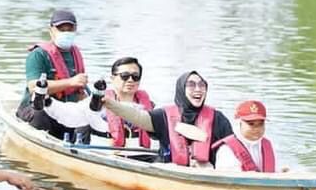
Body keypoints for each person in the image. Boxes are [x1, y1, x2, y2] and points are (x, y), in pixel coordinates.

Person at [102, 71, 233, 167]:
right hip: (169, 169)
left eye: (202, 85)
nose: (198, 89)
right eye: (191, 85)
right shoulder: (163, 116)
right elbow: (137, 116)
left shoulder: (218, 119)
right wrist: (109, 103)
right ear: (181, 89)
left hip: (206, 172)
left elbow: (231, 149)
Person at [16, 9, 89, 141]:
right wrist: (70, 82)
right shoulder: (38, 54)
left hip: (64, 111)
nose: (66, 33)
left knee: (86, 118)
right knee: (41, 113)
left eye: (69, 29)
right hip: (37, 109)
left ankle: (81, 148)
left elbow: (80, 93)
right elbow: (33, 87)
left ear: (75, 30)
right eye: (61, 29)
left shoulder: (75, 53)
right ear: (51, 31)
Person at [213, 100, 277, 173]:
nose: (256, 128)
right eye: (251, 124)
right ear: (240, 123)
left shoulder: (269, 146)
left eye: (260, 124)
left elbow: (276, 171)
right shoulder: (226, 150)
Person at [104, 57, 154, 148]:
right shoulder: (99, 105)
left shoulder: (150, 107)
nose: (130, 80)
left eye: (135, 76)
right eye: (124, 76)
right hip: (106, 151)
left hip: (142, 152)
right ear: (113, 78)